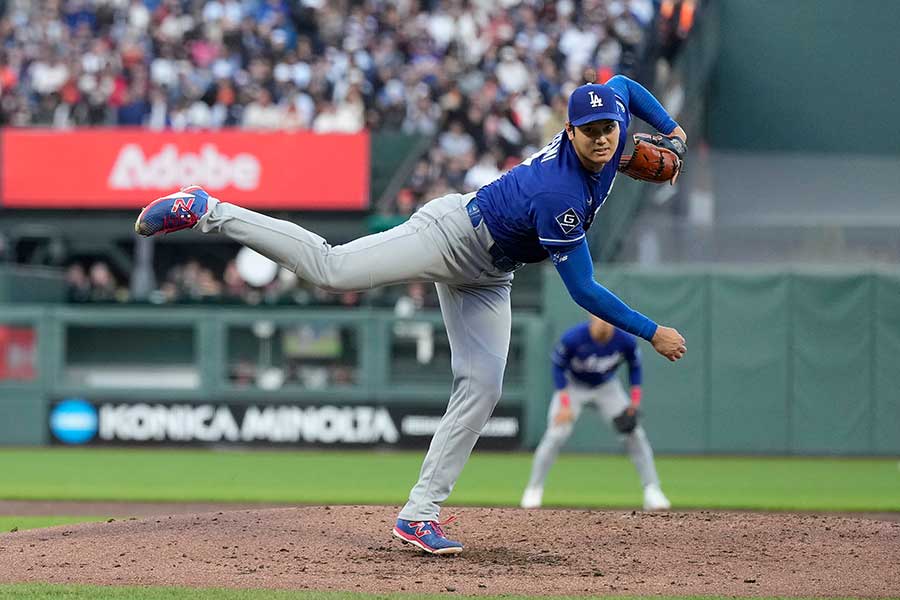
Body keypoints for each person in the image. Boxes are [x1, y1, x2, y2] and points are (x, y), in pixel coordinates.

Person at [134, 76, 688, 555]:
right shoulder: (560, 193)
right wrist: (651, 331)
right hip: (452, 234)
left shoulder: (613, 137)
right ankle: (209, 209)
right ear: (569, 132)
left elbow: (623, 86)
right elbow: (585, 291)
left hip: (492, 274)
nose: (601, 138)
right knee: (332, 270)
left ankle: (418, 515)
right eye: (588, 130)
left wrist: (672, 127)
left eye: (608, 129)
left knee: (483, 386)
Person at [521, 315, 671, 512]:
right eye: (599, 318)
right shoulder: (574, 338)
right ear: (591, 317)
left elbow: (635, 366)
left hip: (607, 387)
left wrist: (634, 401)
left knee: (635, 434)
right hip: (573, 386)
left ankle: (652, 490)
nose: (604, 322)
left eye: (608, 319)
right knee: (556, 434)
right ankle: (534, 489)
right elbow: (558, 367)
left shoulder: (624, 339)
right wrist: (564, 403)